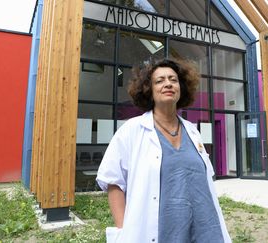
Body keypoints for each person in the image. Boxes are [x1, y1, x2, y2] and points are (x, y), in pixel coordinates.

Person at [96, 58, 231, 243]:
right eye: (159, 81)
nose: (168, 83)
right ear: (149, 90)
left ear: (181, 87)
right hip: (162, 233)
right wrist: (123, 230)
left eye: (173, 80)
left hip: (205, 231)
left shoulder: (193, 132)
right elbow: (113, 181)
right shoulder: (132, 130)